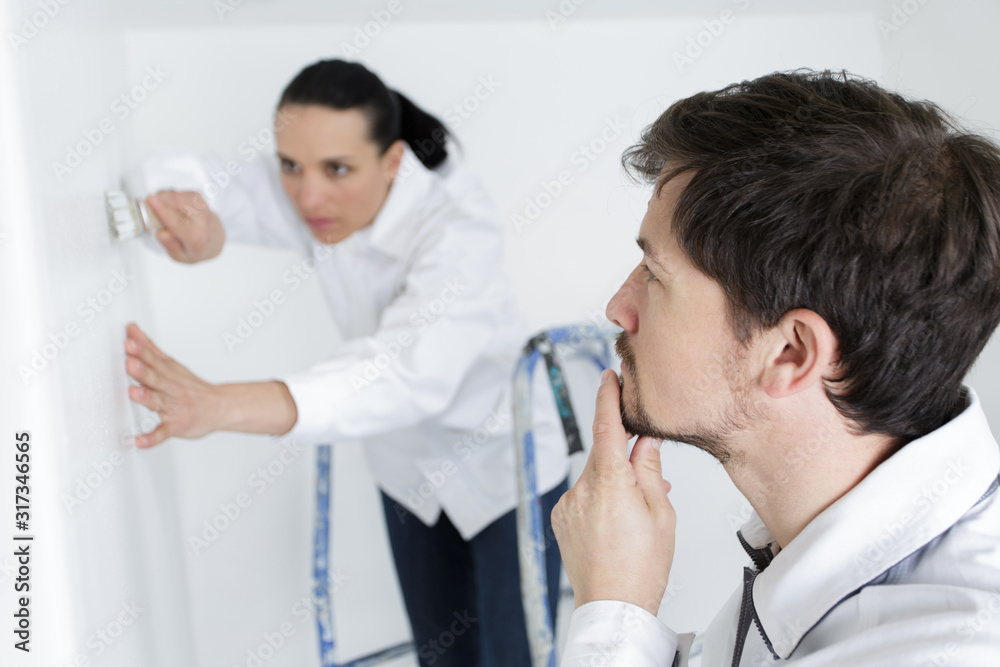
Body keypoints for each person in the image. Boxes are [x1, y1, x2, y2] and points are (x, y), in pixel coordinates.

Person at [122, 59, 569, 666]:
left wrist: (219, 404)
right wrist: (191, 221)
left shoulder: (458, 227)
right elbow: (163, 176)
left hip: (504, 467)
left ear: (392, 161)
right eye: (289, 166)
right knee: (443, 657)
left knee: (515, 658)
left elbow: (407, 373)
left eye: (337, 169)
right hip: (407, 473)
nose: (308, 197)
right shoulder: (316, 195)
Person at [553, 69, 1000, 666]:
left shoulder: (948, 648)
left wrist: (612, 618)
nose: (618, 308)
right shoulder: (819, 542)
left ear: (791, 353)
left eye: (655, 276)